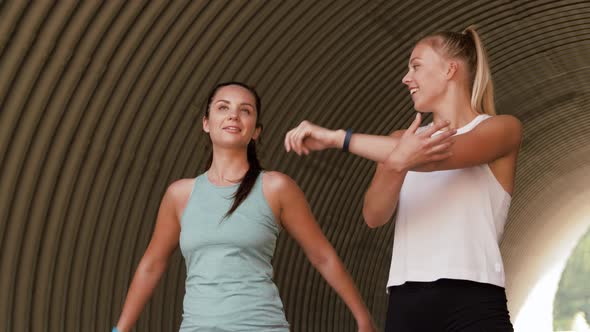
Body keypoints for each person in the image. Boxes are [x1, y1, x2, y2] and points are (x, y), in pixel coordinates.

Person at [284, 26, 522, 331]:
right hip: (405, 300)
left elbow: (435, 156)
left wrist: (337, 139)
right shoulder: (399, 140)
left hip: (474, 298)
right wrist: (397, 161)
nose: (406, 78)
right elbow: (374, 214)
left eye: (416, 66)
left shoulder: (501, 129)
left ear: (450, 69)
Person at [112, 82, 375, 332]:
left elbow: (322, 256)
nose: (233, 116)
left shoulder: (276, 188)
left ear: (256, 130)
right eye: (223, 107)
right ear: (206, 123)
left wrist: (363, 319)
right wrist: (120, 328)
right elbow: (152, 264)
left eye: (245, 110)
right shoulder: (179, 194)